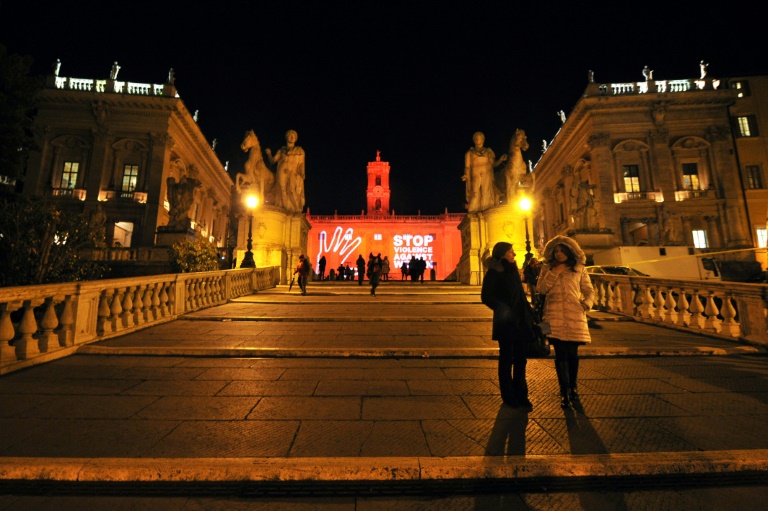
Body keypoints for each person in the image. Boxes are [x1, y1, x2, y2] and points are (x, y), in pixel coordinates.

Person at [535, 236, 594, 409]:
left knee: (573, 354)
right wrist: (555, 273)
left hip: (574, 314)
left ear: (569, 251)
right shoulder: (548, 268)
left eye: (562, 251)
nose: (559, 254)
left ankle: (573, 387)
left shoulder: (579, 269)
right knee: (560, 354)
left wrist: (587, 303)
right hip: (553, 315)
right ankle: (564, 392)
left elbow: (589, 290)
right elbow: (541, 289)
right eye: (556, 251)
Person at [481, 242, 536, 409]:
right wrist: (501, 307)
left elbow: (519, 296)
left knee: (521, 359)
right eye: (511, 252)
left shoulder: (513, 271)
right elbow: (486, 296)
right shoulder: (494, 272)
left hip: (521, 320)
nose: (514, 255)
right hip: (505, 322)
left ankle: (522, 393)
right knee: (506, 359)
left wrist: (530, 312)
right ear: (502, 254)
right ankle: (508, 395)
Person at [462, 132, 506, 212]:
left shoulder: (488, 151)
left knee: (486, 192)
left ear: (483, 139)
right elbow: (467, 167)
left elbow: (493, 164)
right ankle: (472, 211)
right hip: (475, 172)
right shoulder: (469, 152)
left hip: (486, 172)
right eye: (475, 138)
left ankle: (486, 211)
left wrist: (500, 160)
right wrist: (466, 175)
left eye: (478, 138)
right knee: (474, 192)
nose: (476, 139)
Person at [266, 129, 305, 213]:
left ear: (296, 138)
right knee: (281, 188)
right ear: (286, 137)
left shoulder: (299, 150)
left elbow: (301, 164)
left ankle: (295, 209)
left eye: (293, 136)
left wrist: (302, 174)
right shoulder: (281, 150)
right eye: (290, 135)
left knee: (292, 189)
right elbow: (273, 161)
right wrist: (269, 154)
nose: (291, 137)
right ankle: (284, 208)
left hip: (293, 172)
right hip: (282, 171)